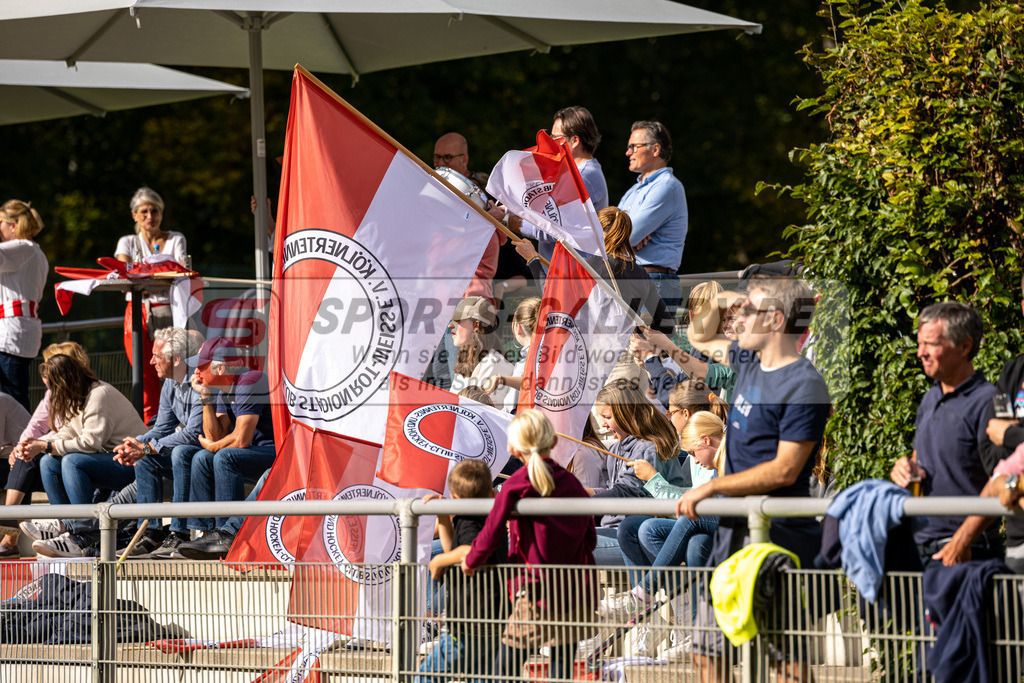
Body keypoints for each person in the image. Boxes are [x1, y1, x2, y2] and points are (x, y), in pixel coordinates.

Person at [674, 275, 830, 683]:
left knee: (786, 664)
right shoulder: (747, 361)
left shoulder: (805, 384)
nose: (737, 319)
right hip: (732, 532)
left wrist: (714, 485)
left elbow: (785, 469)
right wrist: (732, 296)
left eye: (748, 313)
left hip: (779, 535)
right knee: (706, 652)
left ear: (776, 320)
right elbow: (697, 332)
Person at [462, 409, 596, 682]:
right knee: (562, 668)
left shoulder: (515, 484)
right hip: (574, 589)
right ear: (553, 441)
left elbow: (491, 533)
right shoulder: (572, 483)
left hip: (535, 589)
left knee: (504, 670)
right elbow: (591, 538)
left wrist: (470, 561)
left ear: (513, 448)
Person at [890, 302, 1000, 569]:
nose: (920, 353)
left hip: (966, 555)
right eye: (920, 344)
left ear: (964, 347)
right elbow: (922, 463)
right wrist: (905, 469)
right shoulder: (929, 398)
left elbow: (1002, 480)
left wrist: (961, 541)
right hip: (922, 549)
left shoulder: (990, 402)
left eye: (931, 344)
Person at [16, 354, 147, 557]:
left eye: (52, 386)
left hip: (132, 463)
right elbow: (68, 432)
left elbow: (89, 443)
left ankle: (74, 528)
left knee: (72, 461)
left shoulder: (99, 394)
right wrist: (39, 445)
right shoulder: (74, 396)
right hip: (107, 459)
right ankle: (66, 528)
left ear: (66, 381)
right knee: (48, 462)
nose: (50, 392)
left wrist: (46, 444)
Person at [605, 411, 725, 621]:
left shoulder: (731, 457)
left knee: (681, 520)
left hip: (735, 524)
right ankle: (687, 621)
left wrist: (653, 479)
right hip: (711, 524)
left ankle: (645, 593)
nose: (694, 461)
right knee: (633, 526)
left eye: (694, 453)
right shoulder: (716, 461)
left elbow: (705, 505)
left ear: (706, 440)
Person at [112, 327, 204, 558]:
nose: (151, 361)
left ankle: (180, 533)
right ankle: (151, 532)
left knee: (179, 452)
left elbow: (194, 433)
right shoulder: (170, 384)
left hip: (209, 452)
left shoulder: (200, 379)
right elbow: (162, 428)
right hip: (190, 452)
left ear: (176, 359)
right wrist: (135, 444)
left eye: (157, 356)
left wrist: (147, 448)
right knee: (146, 461)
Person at [417, 460, 509, 683]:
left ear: (455, 497)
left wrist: (440, 560)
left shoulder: (469, 521)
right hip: (493, 623)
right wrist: (443, 516)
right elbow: (456, 550)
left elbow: (468, 552)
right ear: (490, 491)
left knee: (426, 676)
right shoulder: (490, 516)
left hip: (470, 626)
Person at [181, 337, 275, 551]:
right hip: (255, 453)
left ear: (221, 367)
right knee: (201, 458)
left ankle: (225, 535)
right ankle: (205, 532)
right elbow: (216, 435)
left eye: (201, 365)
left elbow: (240, 440)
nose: (195, 371)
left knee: (224, 456)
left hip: (278, 453)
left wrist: (214, 447)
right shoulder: (223, 388)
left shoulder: (250, 380)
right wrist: (206, 397)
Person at [517, 206, 675, 334]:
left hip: (600, 361)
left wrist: (533, 260)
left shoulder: (590, 266)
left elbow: (551, 297)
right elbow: (667, 325)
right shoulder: (641, 274)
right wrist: (637, 336)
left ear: (599, 232)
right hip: (631, 360)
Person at [0, 342, 89, 555]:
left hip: (79, 454)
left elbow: (70, 431)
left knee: (33, 456)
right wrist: (23, 445)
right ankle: (10, 526)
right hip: (47, 454)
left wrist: (34, 445)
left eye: (49, 367)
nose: (44, 373)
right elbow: (35, 426)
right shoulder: (52, 395)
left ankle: (10, 522)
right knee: (27, 454)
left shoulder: (86, 393)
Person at [589, 379, 687, 566]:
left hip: (636, 536)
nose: (602, 425)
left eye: (607, 417)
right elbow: (611, 490)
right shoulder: (616, 450)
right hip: (614, 530)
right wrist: (576, 493)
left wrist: (580, 506)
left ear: (626, 413)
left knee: (567, 545)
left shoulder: (647, 448)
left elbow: (625, 492)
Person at [115, 187, 188, 423]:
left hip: (171, 310)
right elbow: (125, 277)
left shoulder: (175, 238)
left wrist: (144, 277)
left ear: (161, 213)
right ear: (134, 215)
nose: (150, 216)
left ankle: (178, 425)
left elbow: (180, 274)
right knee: (145, 375)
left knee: (175, 371)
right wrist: (158, 276)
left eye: (154, 210)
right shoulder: (127, 242)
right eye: (144, 211)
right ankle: (149, 430)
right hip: (138, 310)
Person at [518, 106, 610, 262]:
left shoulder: (583, 176)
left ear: (574, 141)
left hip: (573, 279)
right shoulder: (577, 173)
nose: (550, 142)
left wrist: (508, 220)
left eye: (554, 137)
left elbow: (551, 229)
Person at [617, 121, 688, 317]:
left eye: (633, 147)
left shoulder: (667, 186)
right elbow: (613, 232)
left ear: (655, 149)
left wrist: (628, 236)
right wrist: (629, 235)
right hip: (635, 278)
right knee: (634, 347)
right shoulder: (633, 191)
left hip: (654, 282)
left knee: (649, 347)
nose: (628, 152)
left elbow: (624, 237)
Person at [0, 200, 48, 411]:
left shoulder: (22, 248)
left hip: (12, 332)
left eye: (0, 222)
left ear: (14, 225)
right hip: (18, 330)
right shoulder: (33, 251)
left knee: (11, 400)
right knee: (13, 396)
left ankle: (21, 441)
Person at [448, 297, 513, 407]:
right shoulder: (466, 359)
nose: (450, 325)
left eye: (458, 321)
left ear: (476, 326)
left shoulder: (494, 363)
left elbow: (485, 415)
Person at [484, 297, 539, 412]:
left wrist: (500, 379)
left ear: (518, 328)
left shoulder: (525, 364)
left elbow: (510, 409)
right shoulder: (553, 359)